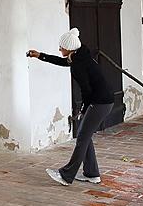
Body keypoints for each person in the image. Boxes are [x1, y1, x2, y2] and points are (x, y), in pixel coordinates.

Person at [27, 28, 114, 186]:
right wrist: (40, 55)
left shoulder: (79, 64)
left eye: (61, 47)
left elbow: (86, 90)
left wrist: (83, 109)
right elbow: (62, 62)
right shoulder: (79, 56)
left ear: (69, 47)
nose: (59, 49)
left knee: (82, 137)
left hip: (100, 102)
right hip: (103, 101)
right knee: (84, 135)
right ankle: (92, 174)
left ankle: (66, 175)